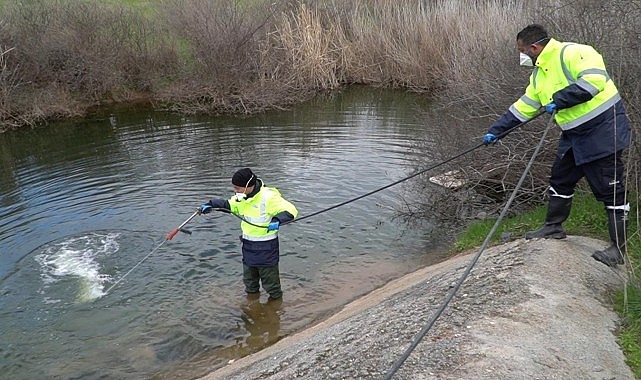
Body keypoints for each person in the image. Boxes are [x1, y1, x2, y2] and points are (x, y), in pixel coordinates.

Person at [482, 24, 631, 267]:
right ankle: (553, 227)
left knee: (611, 190)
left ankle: (618, 250)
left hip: (604, 132)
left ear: (534, 47)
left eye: (522, 51)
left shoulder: (574, 52)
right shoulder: (539, 74)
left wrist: (561, 99)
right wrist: (497, 131)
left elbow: (594, 81)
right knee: (560, 179)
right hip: (574, 135)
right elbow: (525, 106)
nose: (522, 56)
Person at [199, 168, 298, 299]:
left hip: (266, 249)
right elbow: (230, 205)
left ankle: (275, 311)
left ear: (248, 186)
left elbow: (291, 210)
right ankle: (252, 307)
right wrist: (211, 204)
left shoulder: (268, 197)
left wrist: (277, 220)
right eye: (234, 188)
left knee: (271, 286)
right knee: (250, 284)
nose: (235, 191)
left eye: (238, 188)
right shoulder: (242, 197)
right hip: (248, 247)